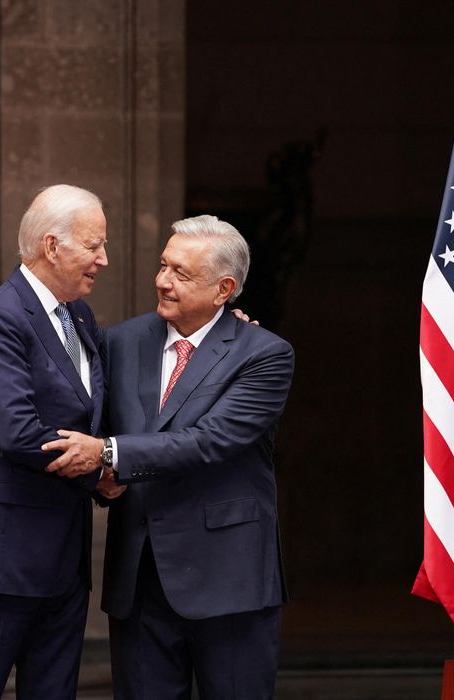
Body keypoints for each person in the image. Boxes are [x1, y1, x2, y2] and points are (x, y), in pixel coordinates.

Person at [43, 214, 294, 699]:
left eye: (182, 273)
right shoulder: (120, 341)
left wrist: (108, 452)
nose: (162, 281)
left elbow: (211, 440)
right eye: (163, 265)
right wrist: (100, 477)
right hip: (138, 581)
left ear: (224, 290)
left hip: (229, 579)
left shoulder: (264, 354)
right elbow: (96, 424)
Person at [0, 184, 110, 700]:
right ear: (53, 246)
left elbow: (124, 375)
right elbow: (17, 432)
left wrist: (217, 330)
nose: (103, 258)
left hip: (63, 560)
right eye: (93, 245)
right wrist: (99, 467)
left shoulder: (79, 317)